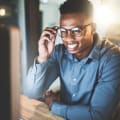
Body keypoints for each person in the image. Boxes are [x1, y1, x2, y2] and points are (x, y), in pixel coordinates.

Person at [24, 0, 120, 120]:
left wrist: (53, 105)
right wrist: (42, 58)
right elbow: (31, 93)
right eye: (63, 31)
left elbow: (98, 116)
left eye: (76, 31)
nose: (68, 38)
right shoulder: (59, 52)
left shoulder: (113, 58)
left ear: (93, 28)